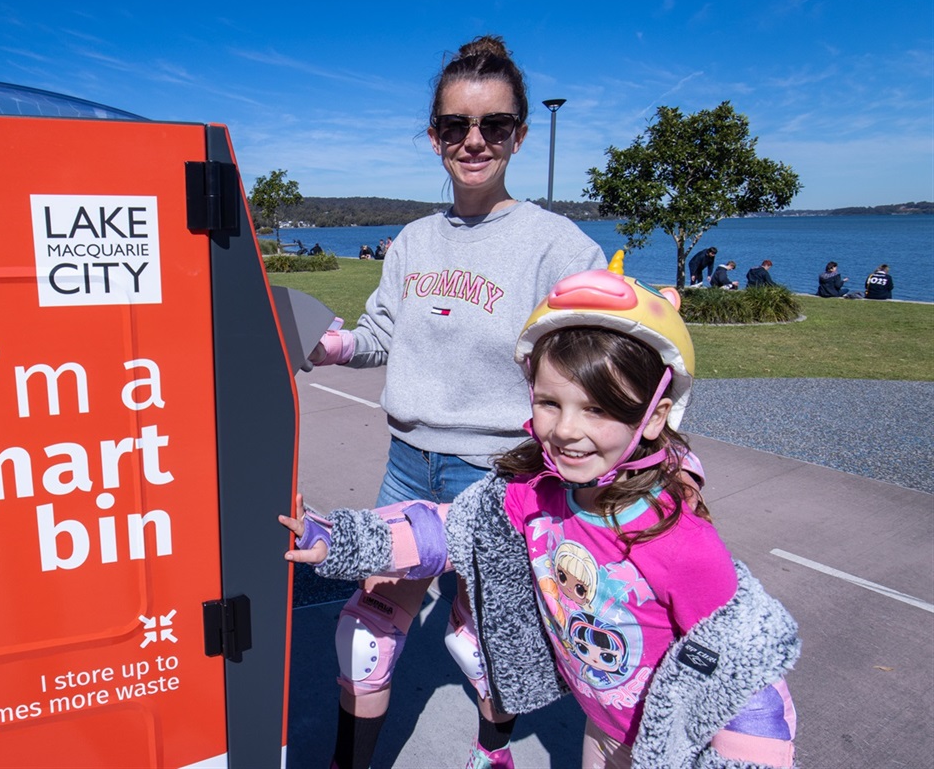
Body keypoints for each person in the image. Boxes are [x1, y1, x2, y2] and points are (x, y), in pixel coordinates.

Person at [285, 267, 800, 769]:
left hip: (664, 742)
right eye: (550, 403)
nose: (567, 430)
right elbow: (443, 529)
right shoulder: (532, 492)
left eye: (598, 409)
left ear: (655, 417)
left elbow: (743, 670)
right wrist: (336, 538)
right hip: (600, 725)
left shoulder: (675, 539)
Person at [305, 34, 607, 769]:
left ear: (519, 135)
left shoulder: (557, 247)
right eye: (454, 127)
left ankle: (491, 752)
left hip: (499, 477)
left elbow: (596, 356)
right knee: (366, 635)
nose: (473, 142)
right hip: (409, 466)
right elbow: (383, 330)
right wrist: (336, 345)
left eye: (493, 126)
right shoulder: (411, 240)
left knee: (486, 643)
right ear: (435, 135)